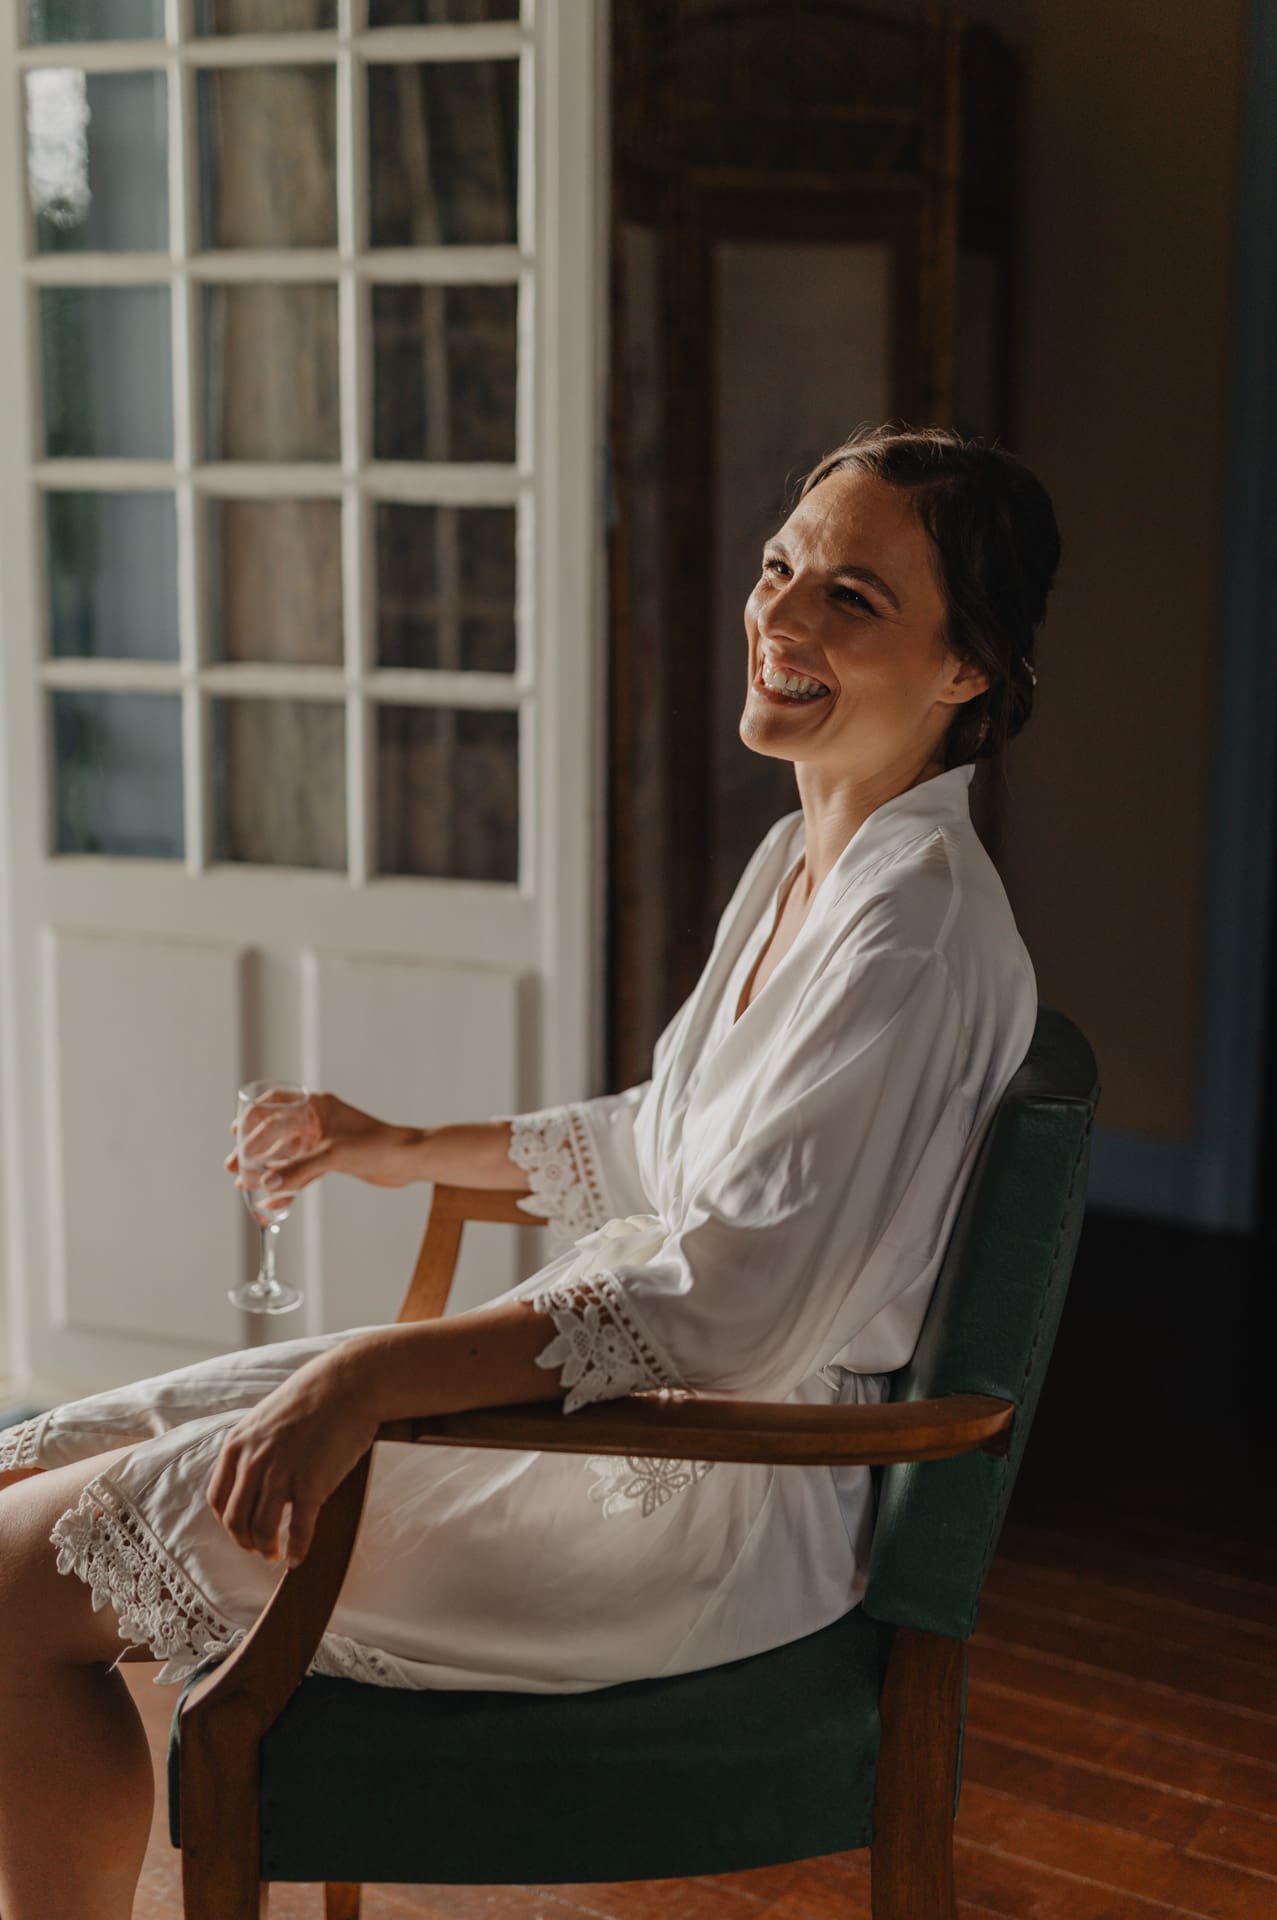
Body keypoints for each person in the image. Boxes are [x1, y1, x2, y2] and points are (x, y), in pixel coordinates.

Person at [0, 422, 1058, 1918]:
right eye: (781, 568)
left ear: (966, 672)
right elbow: (661, 1137)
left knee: (7, 1590)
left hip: (690, 1511)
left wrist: (366, 1380)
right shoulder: (810, 861)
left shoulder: (914, 931)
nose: (780, 616)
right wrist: (386, 1144)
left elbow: (735, 1305)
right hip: (625, 1427)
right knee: (23, 1467)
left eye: (853, 599)